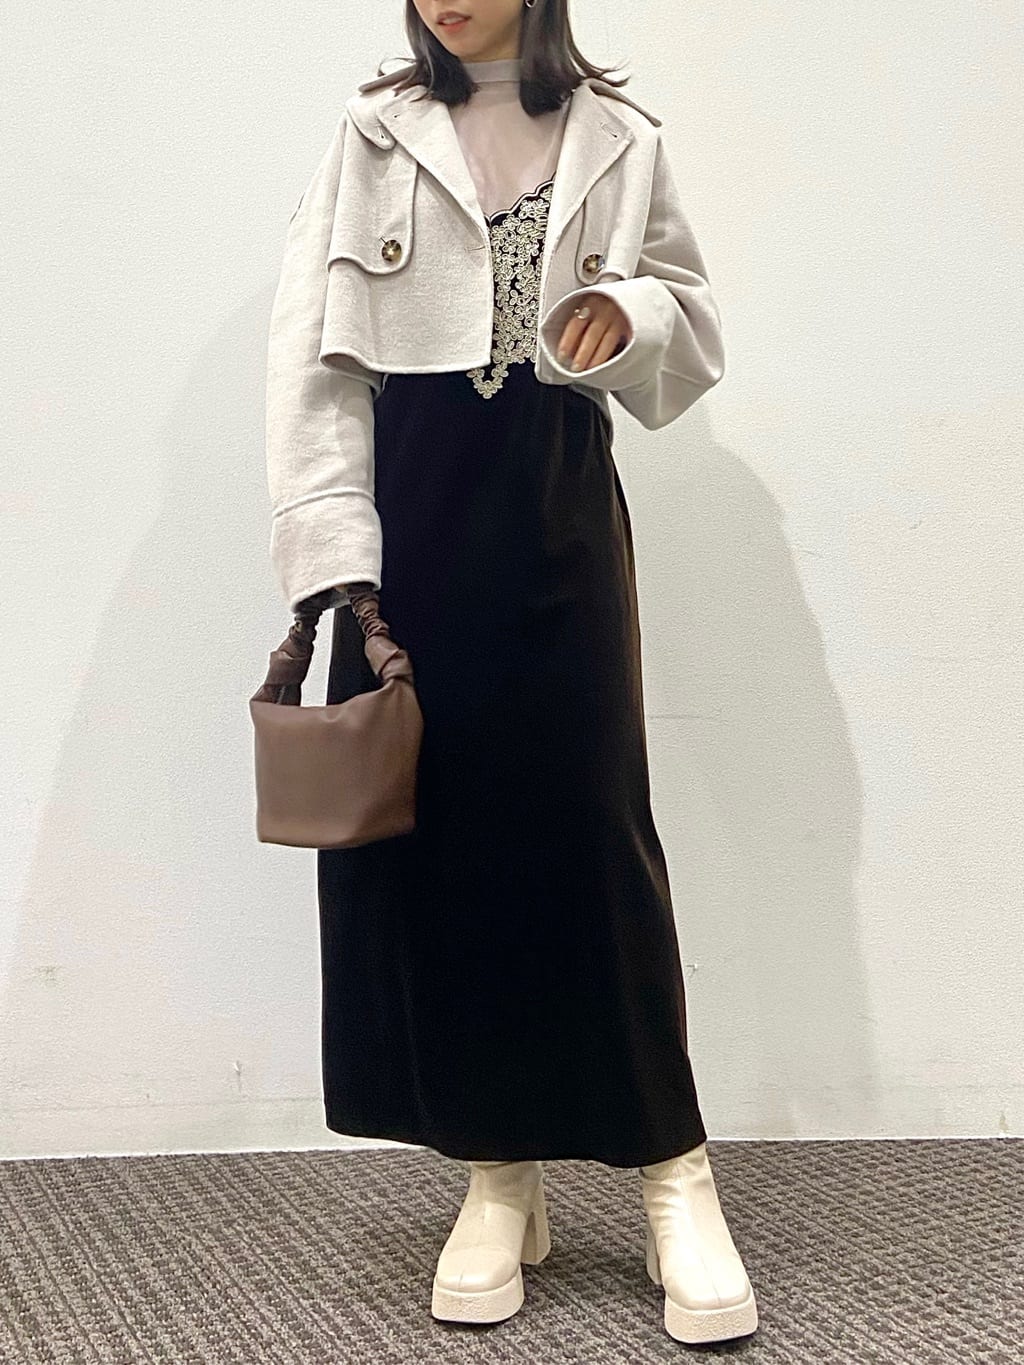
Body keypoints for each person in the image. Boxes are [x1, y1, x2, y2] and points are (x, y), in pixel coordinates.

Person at [263, 0, 757, 1346]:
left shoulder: (621, 136)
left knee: (596, 832)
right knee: (445, 842)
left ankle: (673, 1169)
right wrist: (333, 554)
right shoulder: (374, 133)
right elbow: (310, 361)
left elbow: (692, 341)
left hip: (557, 511)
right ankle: (498, 1174)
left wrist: (628, 311)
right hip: (411, 529)